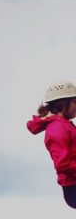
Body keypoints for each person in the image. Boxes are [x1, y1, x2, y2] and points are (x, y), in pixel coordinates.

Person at [27, 80, 76, 208]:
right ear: (61, 105)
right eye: (75, 101)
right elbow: (63, 164)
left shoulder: (65, 125)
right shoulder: (57, 127)